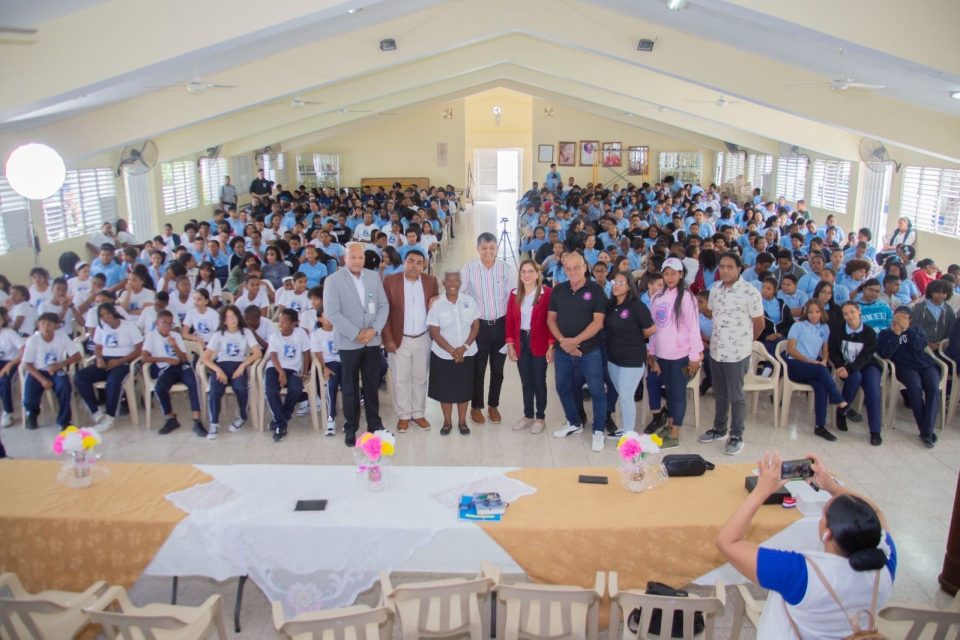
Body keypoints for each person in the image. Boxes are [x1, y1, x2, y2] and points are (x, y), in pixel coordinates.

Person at [717, 451, 895, 640]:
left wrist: (761, 491)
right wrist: (831, 486)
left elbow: (727, 542)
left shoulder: (800, 573)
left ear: (827, 533)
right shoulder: (886, 566)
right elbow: (876, 512)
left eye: (823, 515)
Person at [323, 242, 389, 447]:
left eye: (360, 258)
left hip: (372, 340)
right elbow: (332, 313)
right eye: (353, 257)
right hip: (348, 342)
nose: (357, 261)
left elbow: (383, 306)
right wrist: (356, 333)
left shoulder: (373, 277)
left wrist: (374, 330)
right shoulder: (333, 280)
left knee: (371, 384)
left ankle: (374, 424)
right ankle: (351, 426)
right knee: (350, 387)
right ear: (345, 258)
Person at [698, 252, 764, 455]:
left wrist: (746, 341)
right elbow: (712, 313)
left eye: (730, 267)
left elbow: (759, 323)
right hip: (717, 350)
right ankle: (719, 429)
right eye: (722, 267)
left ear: (739, 269)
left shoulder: (749, 292)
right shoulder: (715, 289)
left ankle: (736, 435)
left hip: (737, 353)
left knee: (736, 395)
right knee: (720, 393)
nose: (725, 271)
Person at [548, 252, 610, 452]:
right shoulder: (559, 290)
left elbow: (598, 322)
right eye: (568, 268)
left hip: (589, 351)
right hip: (563, 351)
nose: (572, 272)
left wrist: (575, 341)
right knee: (562, 386)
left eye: (576, 267)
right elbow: (551, 319)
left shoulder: (596, 290)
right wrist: (563, 342)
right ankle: (574, 422)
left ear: (585, 267)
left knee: (596, 390)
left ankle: (598, 430)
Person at [646, 257, 703, 449]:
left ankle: (674, 434)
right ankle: (669, 426)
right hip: (662, 355)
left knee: (677, 394)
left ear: (681, 274)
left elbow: (694, 328)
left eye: (674, 273)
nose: (670, 277)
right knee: (669, 392)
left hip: (681, 357)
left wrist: (694, 357)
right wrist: (652, 353)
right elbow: (654, 328)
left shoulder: (687, 297)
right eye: (666, 273)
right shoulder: (657, 297)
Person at [461, 232, 515, 426]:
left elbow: (512, 299)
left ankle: (493, 405)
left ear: (496, 249)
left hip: (500, 326)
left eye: (492, 248)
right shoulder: (469, 269)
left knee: (498, 370)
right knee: (478, 369)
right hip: (479, 328)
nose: (488, 252)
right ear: (478, 248)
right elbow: (461, 295)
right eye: (484, 248)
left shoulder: (505, 269)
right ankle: (476, 407)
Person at [381, 248, 438, 433]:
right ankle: (404, 415)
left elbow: (435, 309)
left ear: (424, 266)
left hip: (423, 337)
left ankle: (418, 413)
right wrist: (388, 339)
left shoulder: (430, 281)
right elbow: (384, 312)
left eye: (419, 263)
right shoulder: (390, 281)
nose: (414, 266)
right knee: (401, 379)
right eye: (411, 261)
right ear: (404, 262)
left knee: (420, 377)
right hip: (399, 339)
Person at [785, 300, 849, 442]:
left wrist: (824, 360)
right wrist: (809, 361)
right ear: (805, 313)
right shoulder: (798, 326)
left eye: (817, 312)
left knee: (821, 387)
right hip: (794, 365)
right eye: (810, 312)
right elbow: (791, 350)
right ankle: (839, 400)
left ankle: (820, 426)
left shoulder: (825, 328)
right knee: (820, 370)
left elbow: (825, 349)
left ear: (822, 313)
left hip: (813, 368)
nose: (814, 315)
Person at [878, 306, 941, 448]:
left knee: (933, 389)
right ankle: (927, 432)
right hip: (905, 367)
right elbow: (884, 354)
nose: (901, 319)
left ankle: (926, 431)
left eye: (904, 317)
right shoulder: (885, 334)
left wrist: (907, 329)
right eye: (898, 316)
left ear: (910, 320)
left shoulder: (917, 330)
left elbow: (920, 346)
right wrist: (896, 335)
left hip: (926, 365)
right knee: (915, 389)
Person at [426, 268, 480, 435]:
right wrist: (452, 351)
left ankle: (462, 422)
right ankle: (447, 421)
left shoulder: (469, 301)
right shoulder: (437, 304)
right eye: (449, 280)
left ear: (461, 283)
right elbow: (434, 331)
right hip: (442, 355)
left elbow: (475, 326)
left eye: (456, 280)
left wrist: (463, 348)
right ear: (443, 283)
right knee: (445, 390)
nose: (452, 284)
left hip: (467, 353)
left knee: (464, 389)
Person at [75, 302, 143, 432]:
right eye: (102, 316)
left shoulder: (129, 326)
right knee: (80, 377)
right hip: (105, 360)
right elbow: (98, 347)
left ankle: (110, 416)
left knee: (113, 382)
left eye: (108, 313)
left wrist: (120, 361)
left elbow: (139, 349)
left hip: (124, 362)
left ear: (114, 312)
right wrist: (99, 359)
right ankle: (96, 411)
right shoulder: (101, 328)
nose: (106, 317)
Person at [505, 259, 554, 434]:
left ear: (537, 274)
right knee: (526, 381)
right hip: (521, 342)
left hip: (540, 341)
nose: (527, 275)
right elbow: (510, 320)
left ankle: (540, 417)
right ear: (519, 275)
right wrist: (510, 344)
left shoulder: (547, 294)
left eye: (530, 271)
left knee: (539, 381)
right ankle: (528, 415)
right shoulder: (514, 294)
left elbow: (551, 321)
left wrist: (551, 346)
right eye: (523, 271)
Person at [603, 270, 654, 435]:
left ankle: (629, 433)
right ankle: (625, 428)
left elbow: (651, 328)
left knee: (626, 396)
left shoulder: (636, 305)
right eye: (614, 282)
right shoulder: (610, 305)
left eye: (621, 283)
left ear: (629, 286)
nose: (616, 286)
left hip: (632, 359)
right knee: (622, 394)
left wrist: (635, 337)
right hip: (613, 358)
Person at [141, 309, 206, 437]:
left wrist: (174, 346)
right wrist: (165, 359)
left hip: (181, 366)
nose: (167, 326)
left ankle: (197, 420)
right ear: (157, 323)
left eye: (170, 323)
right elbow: (144, 357)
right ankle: (171, 418)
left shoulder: (175, 336)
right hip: (165, 368)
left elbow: (183, 359)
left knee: (193, 381)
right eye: (164, 323)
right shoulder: (151, 336)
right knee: (160, 388)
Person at [202, 305, 262, 439]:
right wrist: (218, 370)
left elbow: (257, 353)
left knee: (241, 388)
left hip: (239, 365)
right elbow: (205, 358)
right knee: (215, 390)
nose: (232, 319)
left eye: (234, 316)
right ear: (224, 320)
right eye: (228, 317)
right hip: (222, 366)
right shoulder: (218, 334)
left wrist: (243, 366)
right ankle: (214, 423)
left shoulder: (246, 332)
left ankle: (242, 416)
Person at [829, 302, 883, 446]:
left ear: (859, 311)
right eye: (845, 314)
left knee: (873, 390)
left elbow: (866, 356)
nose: (850, 316)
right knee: (855, 378)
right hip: (846, 366)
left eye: (852, 312)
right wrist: (840, 366)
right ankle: (842, 411)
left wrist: (850, 369)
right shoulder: (837, 330)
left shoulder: (869, 332)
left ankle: (875, 431)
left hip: (868, 365)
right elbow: (833, 352)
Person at [21, 312, 82, 430]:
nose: (46, 326)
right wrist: (42, 380)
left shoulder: (62, 336)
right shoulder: (33, 340)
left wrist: (61, 364)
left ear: (56, 326)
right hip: (37, 371)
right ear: (38, 325)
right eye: (42, 323)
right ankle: (32, 414)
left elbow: (77, 356)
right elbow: (27, 364)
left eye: (49, 323)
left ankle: (64, 420)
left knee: (64, 387)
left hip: (56, 369)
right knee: (29, 396)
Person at [264, 308, 311, 442]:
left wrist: (305, 373)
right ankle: (281, 425)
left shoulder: (300, 333)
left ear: (293, 323)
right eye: (279, 321)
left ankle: (282, 416)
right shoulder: (274, 336)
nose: (280, 324)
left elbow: (306, 353)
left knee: (296, 389)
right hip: (274, 368)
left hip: (292, 369)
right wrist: (281, 372)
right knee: (271, 391)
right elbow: (273, 356)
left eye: (284, 322)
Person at [310, 310, 340, 437]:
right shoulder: (316, 335)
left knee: (349, 385)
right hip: (329, 364)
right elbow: (317, 355)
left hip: (344, 362)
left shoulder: (340, 330)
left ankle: (351, 419)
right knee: (331, 385)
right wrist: (324, 368)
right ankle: (330, 418)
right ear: (320, 319)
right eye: (326, 315)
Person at [0, 308, 24, 428]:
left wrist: (10, 364)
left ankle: (8, 412)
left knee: (4, 381)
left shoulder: (9, 333)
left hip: (12, 362)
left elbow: (23, 350)